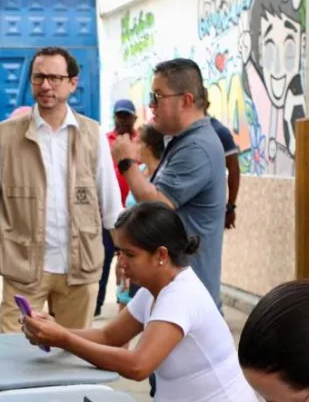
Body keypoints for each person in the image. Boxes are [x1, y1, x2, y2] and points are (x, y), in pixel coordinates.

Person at [22, 202, 265, 402]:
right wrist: (53, 331)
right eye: (119, 253)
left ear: (160, 255)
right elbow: (109, 337)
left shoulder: (181, 296)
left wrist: (63, 339)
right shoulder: (155, 291)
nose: (121, 263)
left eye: (129, 254)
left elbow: (138, 365)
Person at [0, 47, 123, 333]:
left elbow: (110, 205)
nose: (46, 85)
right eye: (39, 77)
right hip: (23, 269)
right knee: (15, 352)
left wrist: (124, 257)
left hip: (80, 269)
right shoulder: (5, 135)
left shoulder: (92, 135)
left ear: (72, 82)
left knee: (73, 354)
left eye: (55, 78)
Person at [112, 58, 227, 309]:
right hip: (174, 291)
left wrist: (126, 163)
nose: (151, 105)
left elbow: (157, 204)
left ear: (185, 100)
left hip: (190, 298)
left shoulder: (197, 147)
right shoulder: (182, 140)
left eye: (158, 96)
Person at [116, 124, 166, 310]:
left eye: (138, 141)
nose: (134, 145)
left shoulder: (162, 176)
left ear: (150, 147)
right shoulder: (140, 171)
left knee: (147, 309)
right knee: (124, 304)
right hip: (128, 249)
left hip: (146, 255)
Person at [96, 99, 138, 317]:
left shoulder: (139, 142)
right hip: (108, 214)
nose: (122, 120)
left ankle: (125, 300)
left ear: (134, 118)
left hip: (133, 215)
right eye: (119, 116)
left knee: (126, 260)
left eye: (126, 116)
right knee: (104, 259)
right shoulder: (105, 141)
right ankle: (97, 302)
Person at [204, 102, 242, 230]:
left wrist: (231, 207)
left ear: (206, 104)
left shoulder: (220, 132)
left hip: (210, 211)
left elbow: (234, 170)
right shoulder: (179, 132)